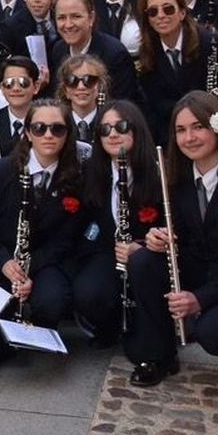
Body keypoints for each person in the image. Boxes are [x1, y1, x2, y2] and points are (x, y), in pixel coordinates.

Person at [125, 91, 218, 386]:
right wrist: (159, 237)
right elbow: (179, 233)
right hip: (198, 266)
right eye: (181, 130)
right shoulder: (177, 176)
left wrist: (200, 299)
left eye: (198, 127)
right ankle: (159, 354)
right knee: (143, 261)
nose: (189, 138)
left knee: (212, 333)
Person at [0, 100, 88, 349]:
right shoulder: (0, 170)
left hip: (46, 262)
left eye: (57, 129)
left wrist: (29, 269)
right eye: (39, 128)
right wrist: (5, 264)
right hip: (2, 260)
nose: (48, 135)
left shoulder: (77, 178)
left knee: (51, 301)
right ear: (27, 133)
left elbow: (67, 239)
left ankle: (37, 331)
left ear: (67, 134)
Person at [79, 102, 167, 347]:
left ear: (136, 130)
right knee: (88, 292)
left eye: (121, 126)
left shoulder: (158, 170)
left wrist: (141, 248)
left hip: (148, 255)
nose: (113, 134)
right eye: (105, 129)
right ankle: (110, 325)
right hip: (108, 250)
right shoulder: (93, 171)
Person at [135, 0, 218, 147]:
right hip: (177, 139)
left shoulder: (211, 43)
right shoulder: (147, 54)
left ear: (182, 12)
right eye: (153, 12)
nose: (160, 15)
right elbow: (156, 109)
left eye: (168, 9)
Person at [48, 0, 139, 102]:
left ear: (91, 18)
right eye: (61, 18)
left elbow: (123, 105)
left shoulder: (114, 54)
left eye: (76, 16)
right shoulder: (58, 50)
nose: (68, 24)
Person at [59, 54, 111, 151]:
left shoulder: (111, 123)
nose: (81, 87)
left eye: (89, 80)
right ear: (65, 90)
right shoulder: (57, 124)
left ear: (100, 86)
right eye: (72, 80)